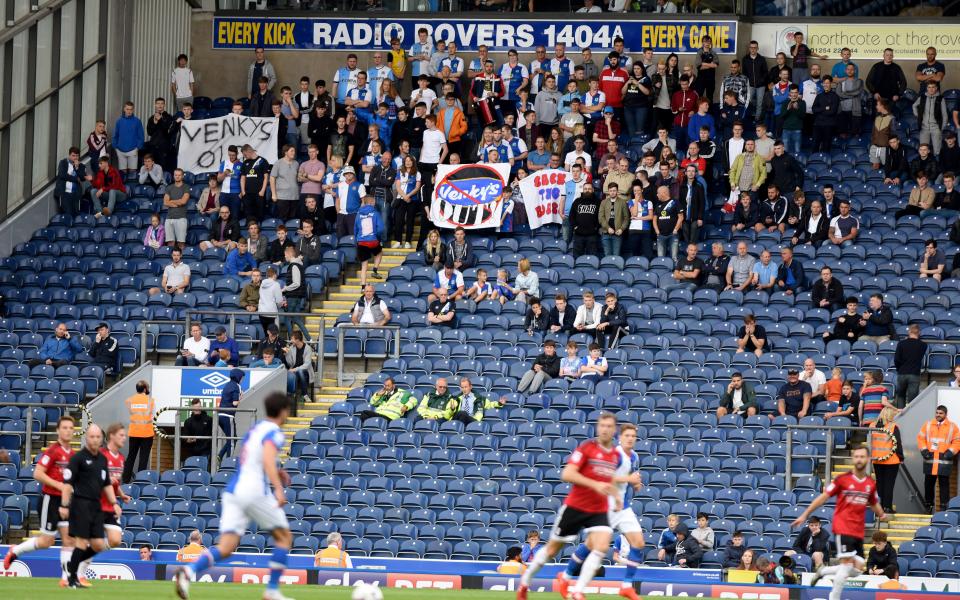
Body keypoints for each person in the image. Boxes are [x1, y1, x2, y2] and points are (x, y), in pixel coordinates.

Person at [174, 392, 293, 600]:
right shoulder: (274, 431)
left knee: (226, 547)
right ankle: (272, 590)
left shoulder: (256, 429)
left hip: (234, 491)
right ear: (283, 411)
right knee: (284, 538)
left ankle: (189, 571)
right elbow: (266, 456)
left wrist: (277, 469)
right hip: (254, 490)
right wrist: (279, 488)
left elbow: (255, 456)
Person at [517, 413, 621, 600]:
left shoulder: (614, 455)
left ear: (614, 430)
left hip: (598, 509)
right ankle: (525, 582)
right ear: (598, 427)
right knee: (551, 550)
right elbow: (567, 474)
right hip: (576, 506)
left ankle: (577, 591)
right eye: (602, 425)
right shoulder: (587, 448)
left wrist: (615, 494)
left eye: (609, 426)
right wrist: (594, 485)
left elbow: (607, 478)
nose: (605, 429)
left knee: (603, 545)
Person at [557, 423, 645, 600]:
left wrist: (635, 483)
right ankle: (565, 576)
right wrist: (628, 479)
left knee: (639, 543)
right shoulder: (614, 455)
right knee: (591, 545)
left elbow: (631, 477)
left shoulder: (634, 456)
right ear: (620, 438)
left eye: (633, 436)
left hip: (623, 507)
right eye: (627, 435)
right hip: (604, 505)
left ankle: (627, 585)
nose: (630, 439)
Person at [794, 447, 888, 600]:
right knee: (845, 567)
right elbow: (823, 497)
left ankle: (823, 572)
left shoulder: (870, 484)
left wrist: (882, 514)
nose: (859, 459)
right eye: (856, 456)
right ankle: (834, 597)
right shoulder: (842, 479)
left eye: (862, 456)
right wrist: (805, 514)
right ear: (852, 458)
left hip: (858, 531)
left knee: (857, 570)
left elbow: (874, 503)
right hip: (843, 528)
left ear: (868, 459)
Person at [3, 416, 77, 585]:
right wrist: (59, 485)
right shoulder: (53, 451)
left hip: (65, 501)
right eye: (64, 427)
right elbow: (38, 473)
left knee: (69, 539)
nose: (67, 430)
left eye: (70, 428)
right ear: (58, 430)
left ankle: (66, 578)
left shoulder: (72, 455)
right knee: (47, 541)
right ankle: (16, 550)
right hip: (50, 500)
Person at [60, 424, 120, 589]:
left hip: (96, 506)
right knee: (81, 543)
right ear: (87, 438)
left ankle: (71, 566)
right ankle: (72, 580)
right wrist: (64, 505)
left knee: (98, 545)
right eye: (92, 436)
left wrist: (114, 503)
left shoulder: (102, 459)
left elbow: (107, 484)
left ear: (101, 439)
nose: (95, 440)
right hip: (80, 504)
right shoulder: (78, 458)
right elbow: (67, 484)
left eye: (98, 437)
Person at [918, 405, 960, 513]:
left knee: (944, 485)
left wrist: (950, 452)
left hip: (944, 461)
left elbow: (957, 441)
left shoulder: (952, 426)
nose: (938, 415)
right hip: (930, 460)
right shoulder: (927, 425)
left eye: (940, 413)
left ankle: (943, 507)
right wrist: (924, 451)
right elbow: (921, 438)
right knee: (928, 484)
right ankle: (928, 505)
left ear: (945, 415)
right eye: (937, 413)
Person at [871, 406, 904, 514]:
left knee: (879, 484)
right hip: (891, 460)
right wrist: (901, 457)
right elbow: (898, 443)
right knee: (889, 484)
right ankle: (887, 507)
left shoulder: (872, 425)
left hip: (877, 459)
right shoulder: (893, 426)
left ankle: (879, 507)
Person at [121, 380, 155, 484]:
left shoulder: (129, 400)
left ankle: (125, 481)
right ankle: (141, 481)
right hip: (147, 433)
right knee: (143, 459)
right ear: (145, 389)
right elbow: (153, 417)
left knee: (131, 457)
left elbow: (131, 411)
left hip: (134, 432)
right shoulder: (150, 401)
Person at [892, 324, 927, 408]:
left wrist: (899, 368)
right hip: (914, 373)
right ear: (919, 333)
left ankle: (900, 417)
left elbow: (896, 359)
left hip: (902, 372)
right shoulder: (923, 345)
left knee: (900, 396)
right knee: (913, 399)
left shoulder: (901, 343)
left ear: (909, 331)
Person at [216, 368, 246, 464]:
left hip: (220, 416)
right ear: (238, 377)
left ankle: (220, 456)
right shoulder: (237, 386)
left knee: (232, 438)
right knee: (232, 440)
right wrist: (241, 397)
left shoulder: (227, 385)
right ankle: (228, 463)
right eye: (242, 378)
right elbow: (234, 403)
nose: (242, 380)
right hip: (228, 416)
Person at [113, 102, 144, 176]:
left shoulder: (137, 121)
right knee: (122, 174)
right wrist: (116, 148)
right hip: (120, 150)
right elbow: (115, 135)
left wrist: (137, 148)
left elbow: (141, 136)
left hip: (133, 150)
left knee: (132, 174)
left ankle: (131, 187)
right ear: (124, 109)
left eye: (131, 109)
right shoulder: (119, 121)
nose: (129, 111)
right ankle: (123, 187)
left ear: (133, 110)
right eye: (127, 109)